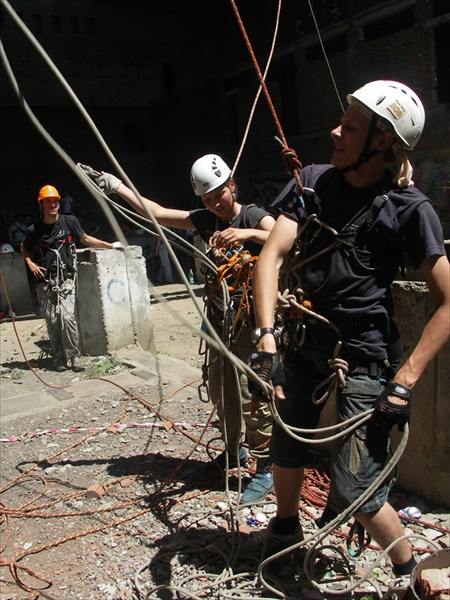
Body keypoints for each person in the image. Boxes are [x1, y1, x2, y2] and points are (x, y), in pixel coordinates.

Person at [248, 81, 450, 588]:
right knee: (286, 440)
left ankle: (407, 570)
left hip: (365, 355)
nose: (335, 132)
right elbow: (271, 256)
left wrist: (404, 381)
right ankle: (286, 527)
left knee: (357, 485)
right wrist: (266, 339)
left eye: (351, 127)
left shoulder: (408, 209)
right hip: (302, 343)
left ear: (382, 142)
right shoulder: (314, 183)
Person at [95, 154, 277, 504]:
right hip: (218, 319)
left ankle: (265, 466)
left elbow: (284, 237)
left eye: (218, 195)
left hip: (250, 322)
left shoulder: (252, 214)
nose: (214, 204)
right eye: (207, 200)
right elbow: (159, 213)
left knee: (250, 393)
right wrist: (118, 187)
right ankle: (234, 449)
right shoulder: (206, 220)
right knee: (222, 388)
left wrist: (246, 232)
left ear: (231, 185)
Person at [21, 184, 123, 372]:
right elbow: (24, 248)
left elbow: (85, 239)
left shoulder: (70, 222)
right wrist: (31, 264)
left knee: (67, 317)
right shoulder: (34, 230)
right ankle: (59, 358)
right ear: (41, 204)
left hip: (66, 278)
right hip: (45, 280)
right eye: (48, 202)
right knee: (52, 319)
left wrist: (109, 246)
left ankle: (74, 356)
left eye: (55, 201)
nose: (52, 205)